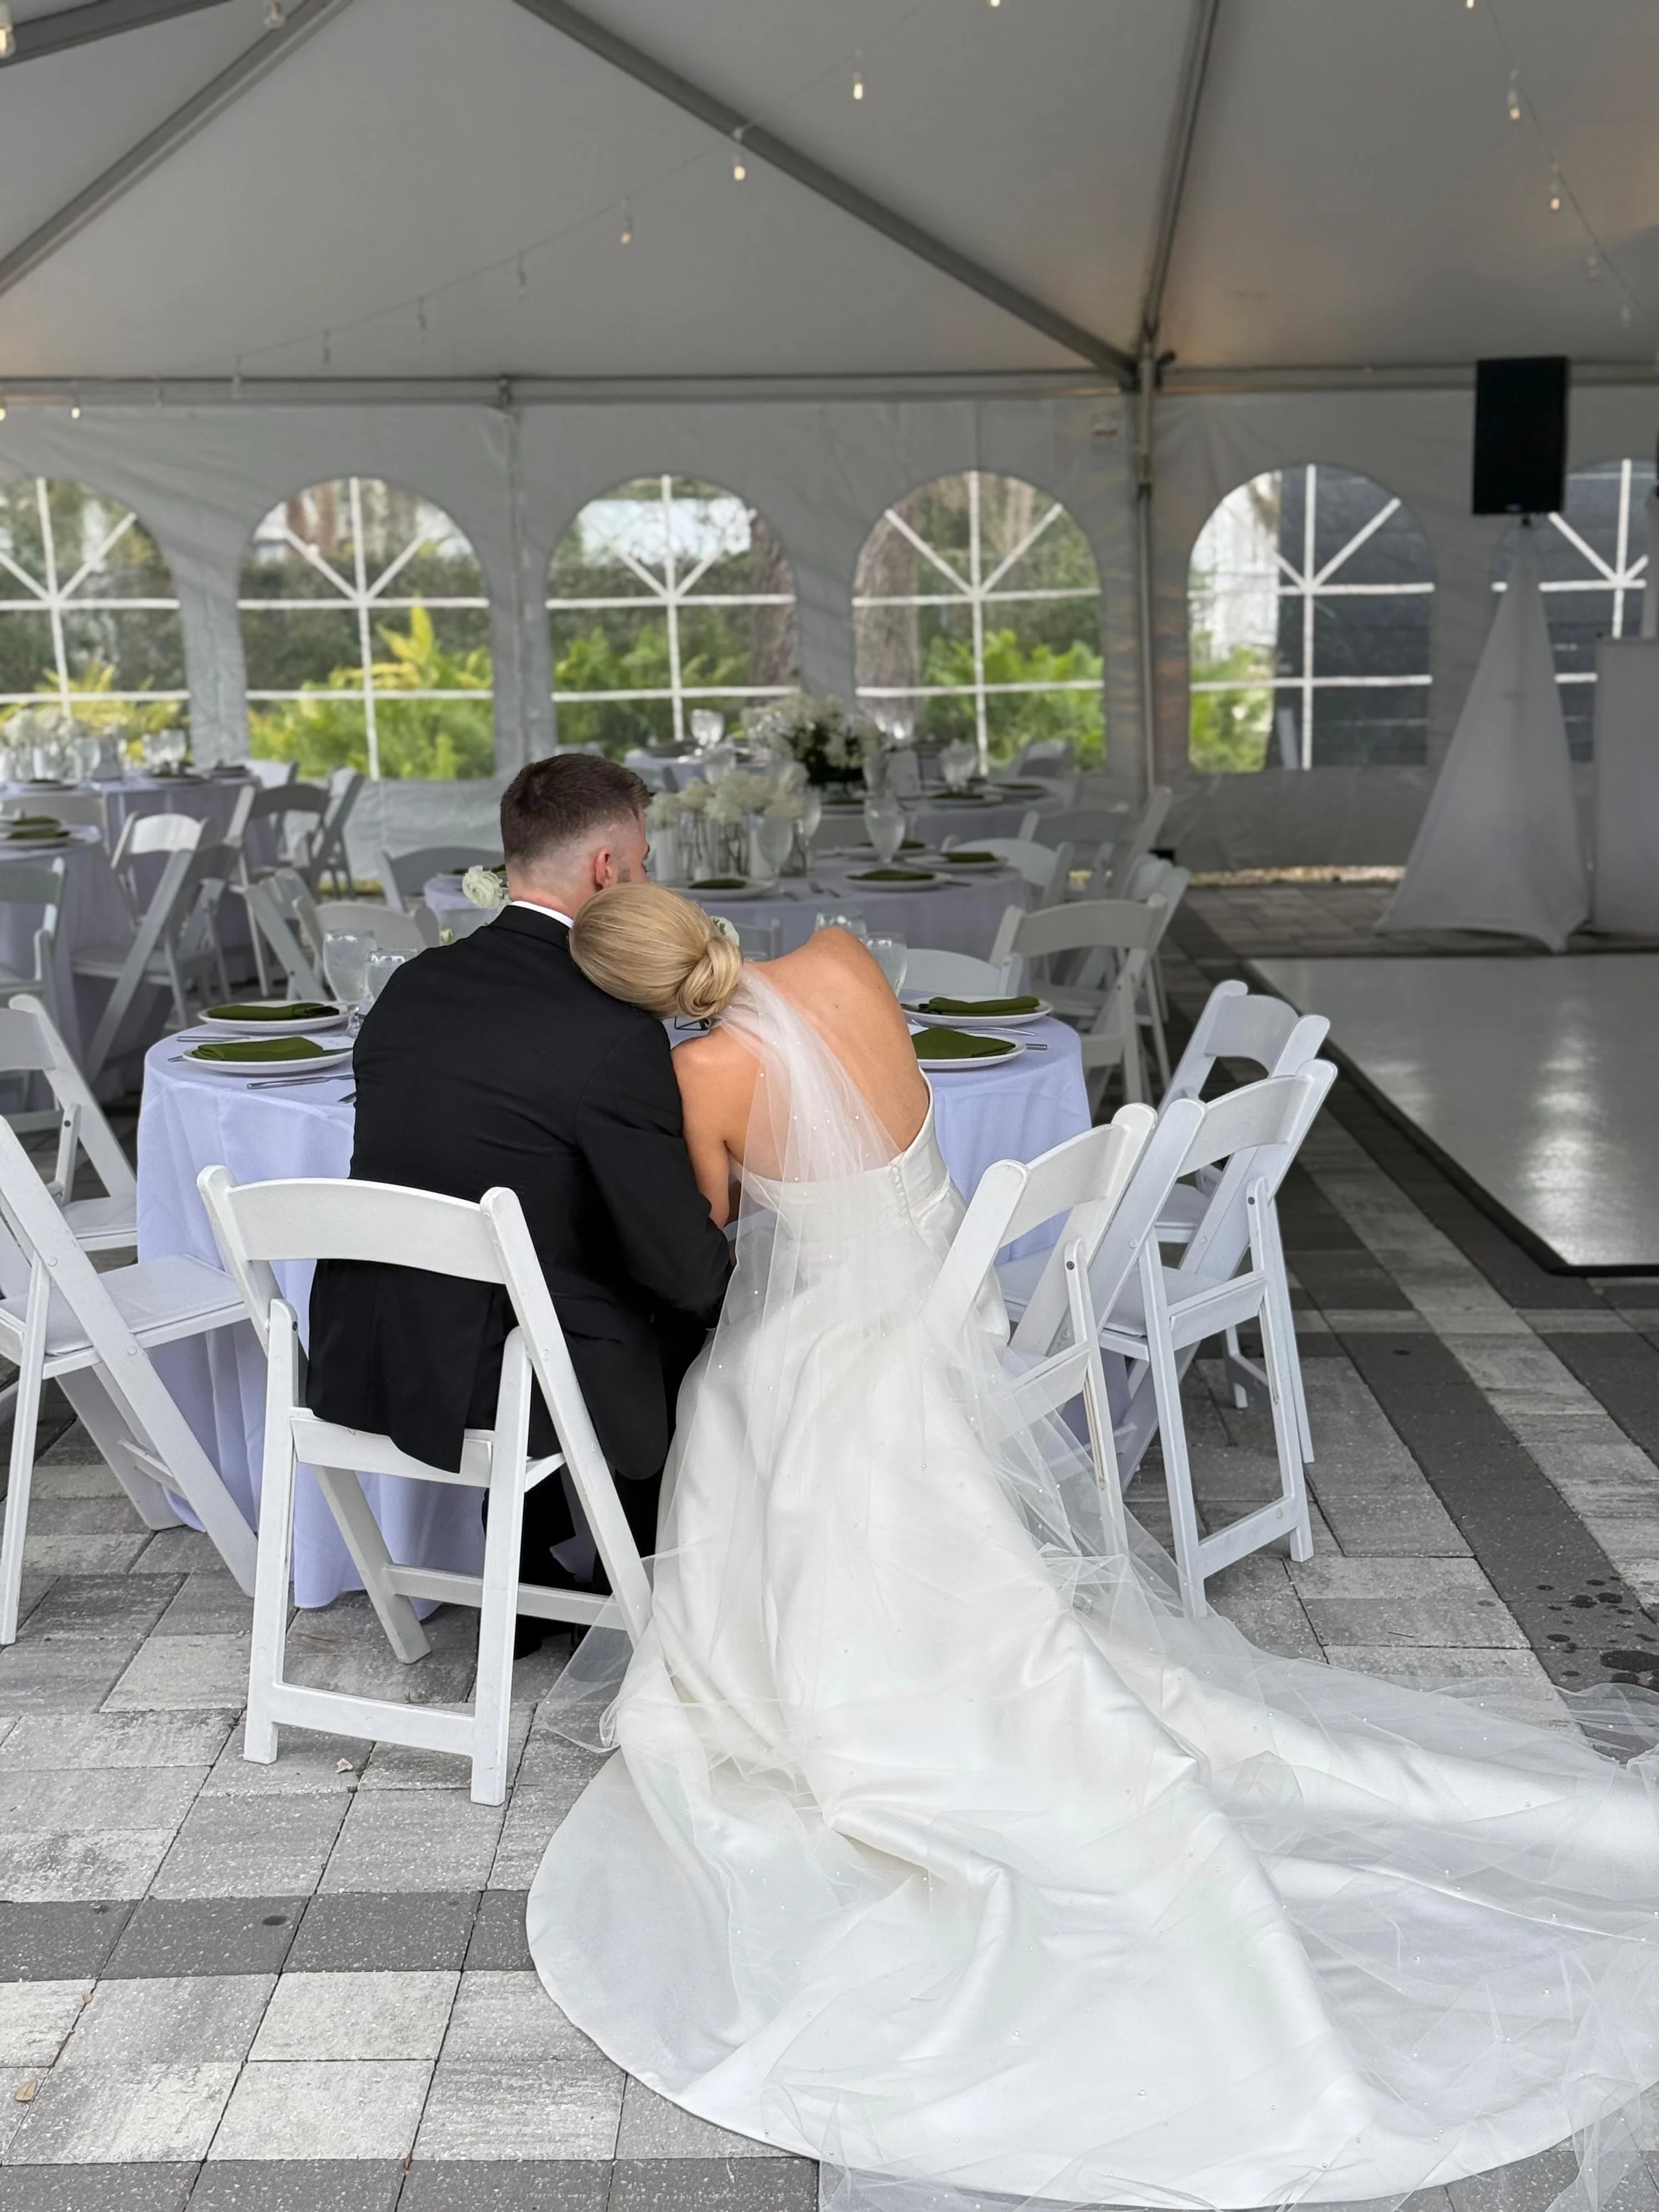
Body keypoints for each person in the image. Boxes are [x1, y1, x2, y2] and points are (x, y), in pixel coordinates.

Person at [526, 881, 1659, 2211]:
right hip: (938, 1324)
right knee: (776, 1419)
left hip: (835, 1337)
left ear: (644, 995)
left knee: (724, 1402)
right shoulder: (839, 953)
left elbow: (707, 1236)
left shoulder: (709, 1068)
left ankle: (798, 1685)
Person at [306, 759, 731, 1651]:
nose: (648, 881)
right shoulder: (614, 1032)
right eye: (645, 863)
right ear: (608, 870)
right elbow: (683, 1272)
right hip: (510, 1383)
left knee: (555, 1264)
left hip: (375, 1352)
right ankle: (650, 1584)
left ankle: (534, 1578)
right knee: (691, 1306)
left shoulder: (413, 986)